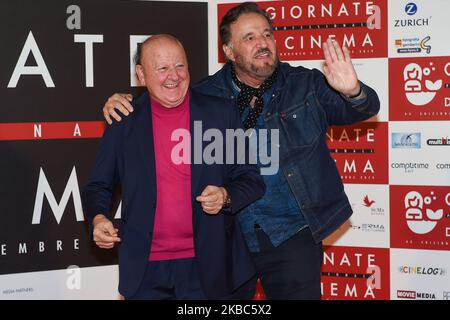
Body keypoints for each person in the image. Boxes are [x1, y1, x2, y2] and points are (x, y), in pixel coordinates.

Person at [101, 2, 380, 300]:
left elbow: (362, 108)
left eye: (267, 34)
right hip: (228, 241)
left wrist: (352, 90)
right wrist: (123, 102)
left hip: (292, 236)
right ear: (229, 52)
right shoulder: (205, 94)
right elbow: (163, 98)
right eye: (249, 38)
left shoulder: (306, 84)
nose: (262, 43)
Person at [82, 34, 265, 300]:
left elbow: (250, 179)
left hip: (208, 267)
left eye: (180, 66)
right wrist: (98, 218)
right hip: (145, 270)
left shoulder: (220, 114)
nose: (174, 76)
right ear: (141, 75)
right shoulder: (123, 119)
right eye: (162, 68)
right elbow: (98, 185)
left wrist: (225, 196)